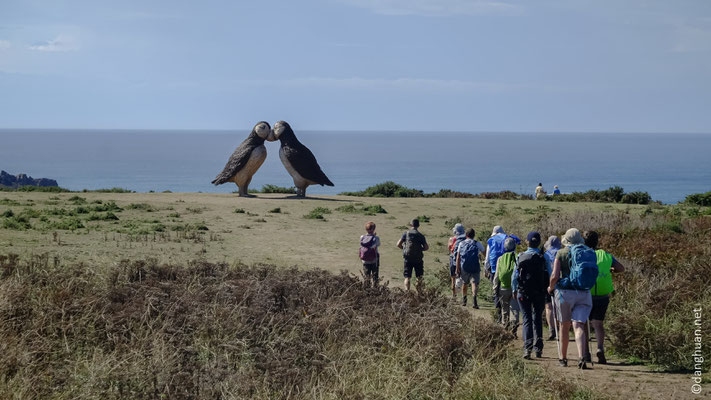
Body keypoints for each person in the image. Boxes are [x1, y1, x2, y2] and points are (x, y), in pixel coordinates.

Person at [548, 228, 598, 369]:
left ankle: (563, 358)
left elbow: (555, 276)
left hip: (565, 292)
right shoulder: (587, 251)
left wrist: (550, 288)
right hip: (584, 291)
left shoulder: (561, 253)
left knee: (564, 325)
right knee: (579, 324)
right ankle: (582, 357)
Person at [583, 230, 625, 364]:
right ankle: (600, 348)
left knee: (584, 323)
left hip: (586, 293)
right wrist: (612, 270)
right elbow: (621, 268)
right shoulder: (606, 255)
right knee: (598, 324)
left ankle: (585, 352)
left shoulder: (582, 255)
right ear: (597, 241)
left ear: (583, 242)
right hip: (603, 294)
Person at [513, 232, 549, 359]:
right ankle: (538, 349)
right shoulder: (544, 257)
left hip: (523, 292)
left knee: (527, 319)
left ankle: (527, 349)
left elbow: (515, 277)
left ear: (527, 242)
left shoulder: (520, 256)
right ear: (539, 242)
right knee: (537, 319)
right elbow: (549, 273)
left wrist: (514, 290)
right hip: (539, 292)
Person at [493, 237, 519, 334]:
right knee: (514, 308)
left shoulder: (500, 259)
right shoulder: (517, 257)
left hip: (503, 288)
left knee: (505, 308)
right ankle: (514, 324)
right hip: (514, 288)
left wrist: (495, 288)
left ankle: (505, 326)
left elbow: (497, 276)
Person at [396, 218, 429, 291]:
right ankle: (419, 292)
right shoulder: (420, 236)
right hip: (418, 259)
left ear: (411, 225)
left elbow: (398, 244)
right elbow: (426, 247)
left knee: (407, 277)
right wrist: (420, 249)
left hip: (408, 258)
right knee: (419, 277)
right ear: (418, 226)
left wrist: (404, 249)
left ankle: (407, 292)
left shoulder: (406, 233)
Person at [455, 228, 485, 308]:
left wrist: (457, 268)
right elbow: (484, 253)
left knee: (464, 283)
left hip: (464, 266)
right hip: (475, 266)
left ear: (466, 235)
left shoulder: (461, 243)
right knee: (474, 283)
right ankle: (474, 300)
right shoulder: (477, 243)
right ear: (474, 235)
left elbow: (458, 257)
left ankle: (464, 300)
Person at [543, 235, 562, 340]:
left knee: (549, 307)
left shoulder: (545, 254)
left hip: (548, 283)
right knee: (560, 306)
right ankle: (561, 328)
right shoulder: (562, 253)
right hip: (561, 282)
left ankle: (552, 330)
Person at [359, 221, 381, 288]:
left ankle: (366, 290)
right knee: (375, 277)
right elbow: (378, 244)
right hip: (374, 259)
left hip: (365, 260)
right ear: (373, 229)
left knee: (366, 277)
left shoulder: (362, 237)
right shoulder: (376, 238)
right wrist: (374, 236)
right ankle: (375, 290)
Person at [448, 224, 467, 300]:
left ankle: (454, 295)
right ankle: (464, 297)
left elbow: (449, 248)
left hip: (453, 259)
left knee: (453, 278)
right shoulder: (465, 239)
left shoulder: (451, 239)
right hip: (462, 261)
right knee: (463, 279)